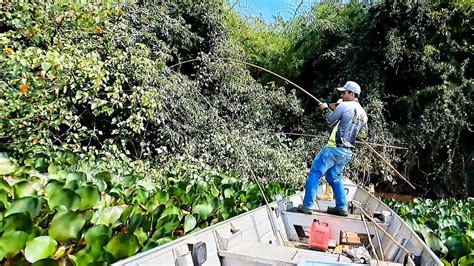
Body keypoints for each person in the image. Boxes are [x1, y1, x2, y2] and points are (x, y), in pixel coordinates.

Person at [298, 81, 368, 216]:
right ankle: (342, 207)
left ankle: (307, 206)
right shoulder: (363, 114)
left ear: (352, 94)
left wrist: (324, 108)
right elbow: (363, 135)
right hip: (347, 153)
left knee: (314, 174)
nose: (341, 95)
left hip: (333, 149)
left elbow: (330, 120)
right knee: (334, 177)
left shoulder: (344, 105)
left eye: (344, 92)